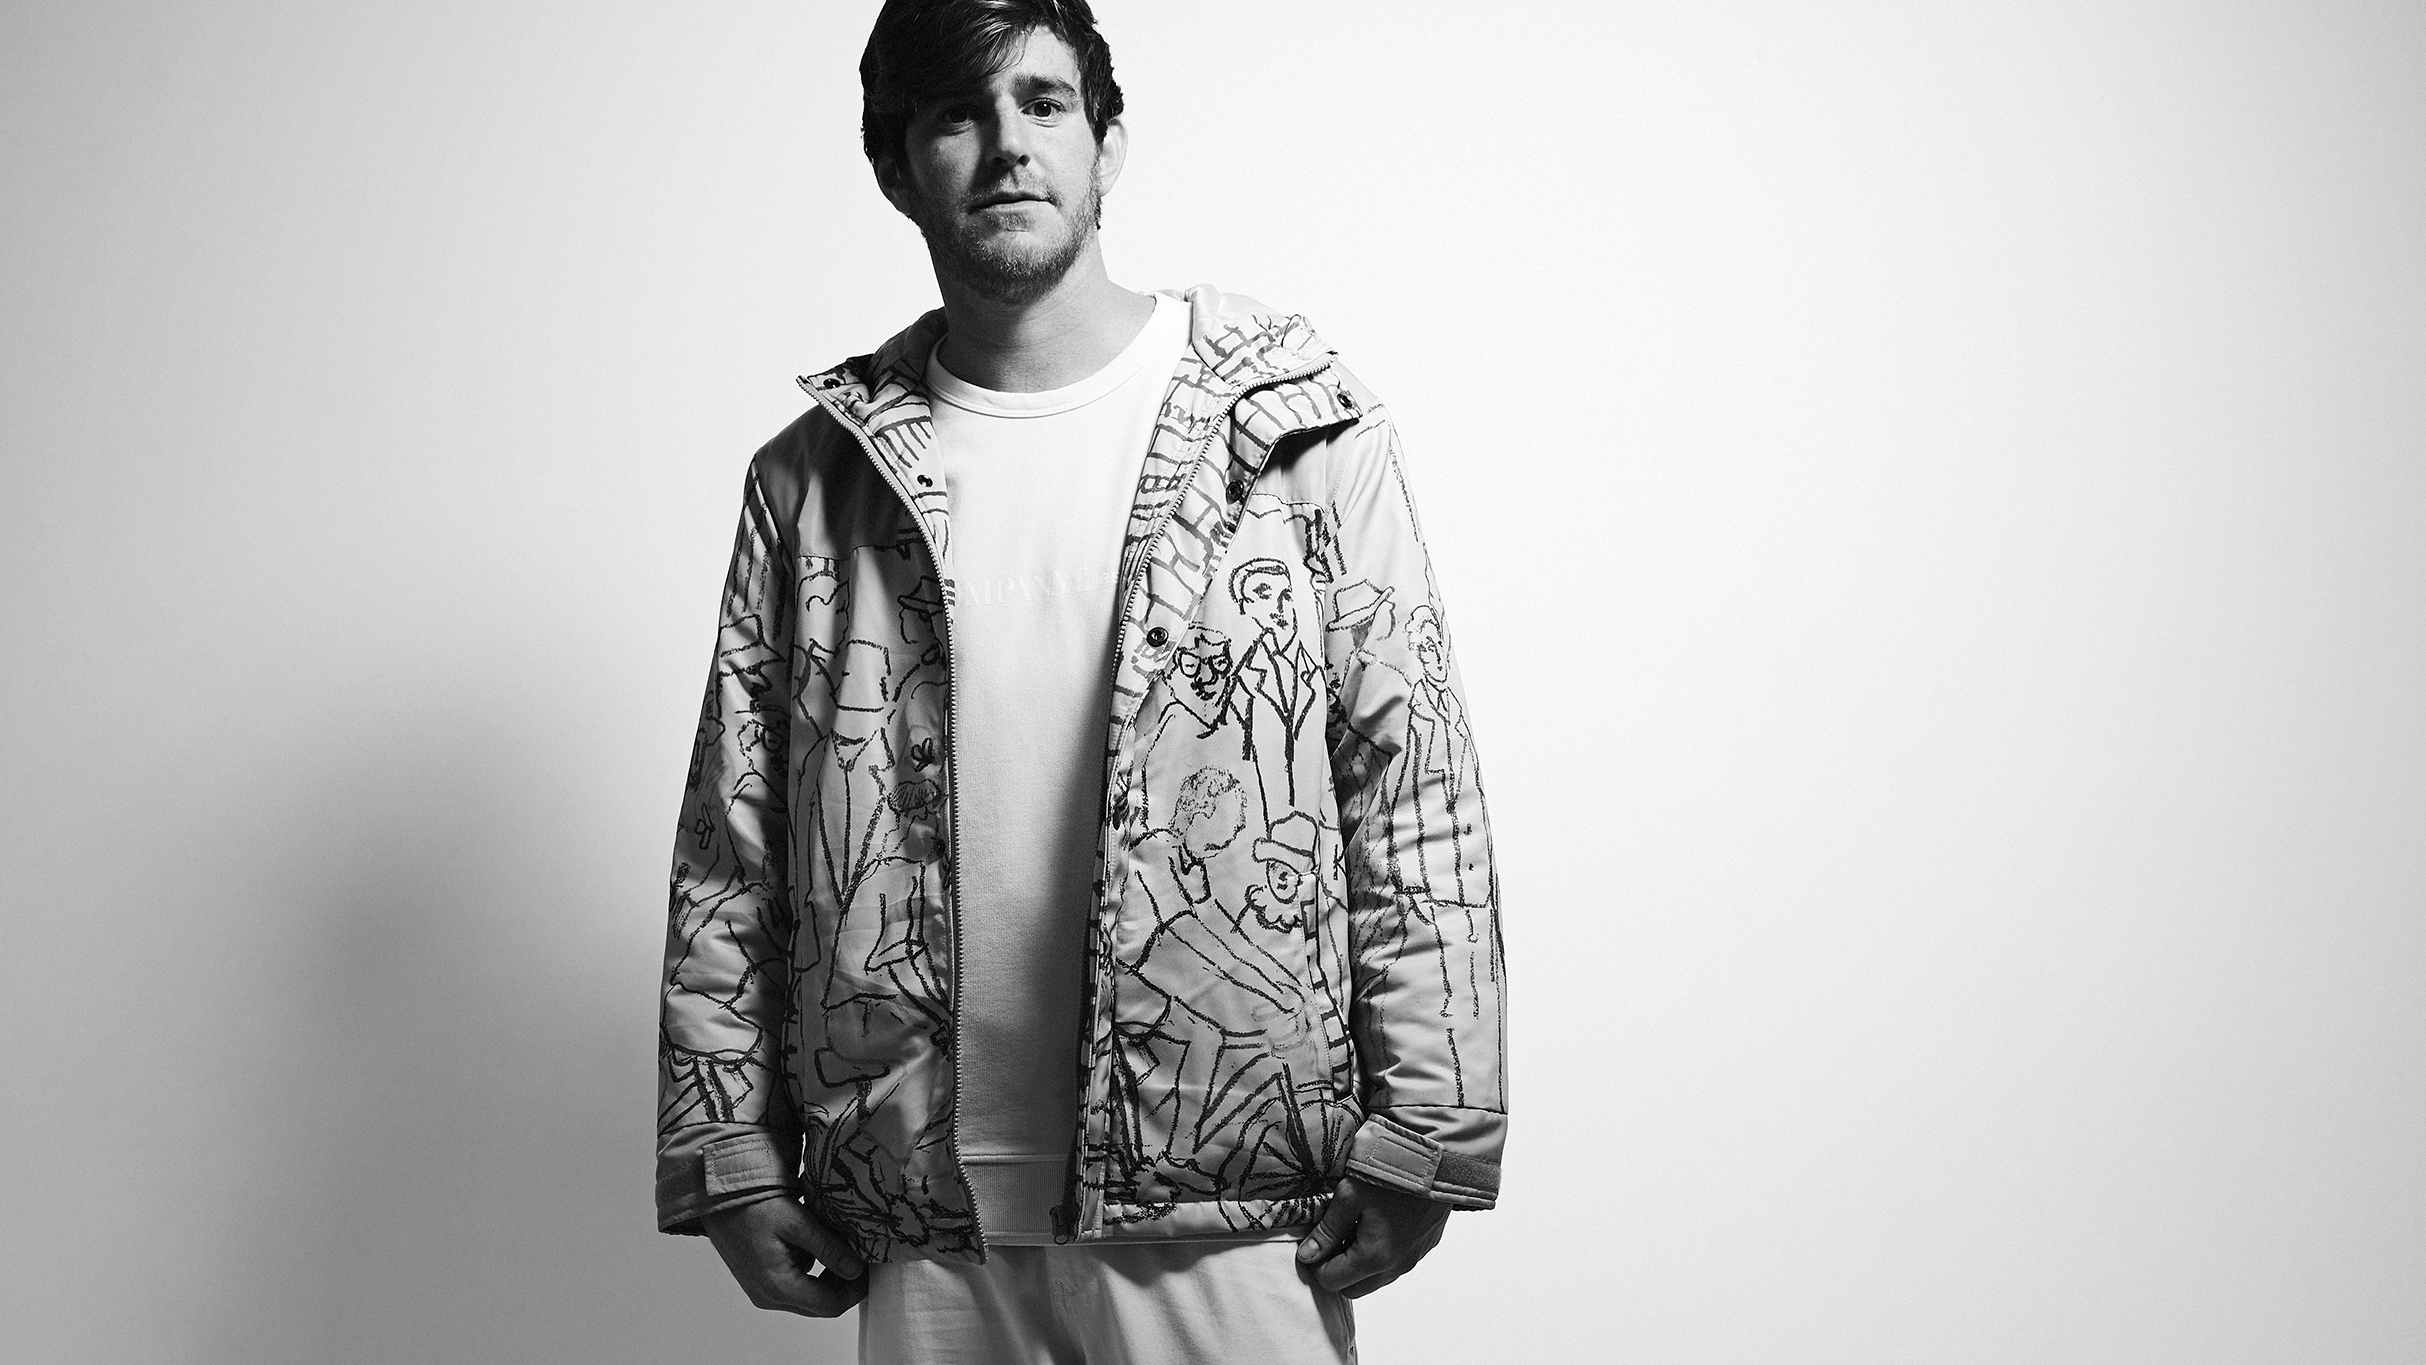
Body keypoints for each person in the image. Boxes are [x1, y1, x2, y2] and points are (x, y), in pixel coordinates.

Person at [655, 2, 1506, 1359]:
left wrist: (1432, 1125)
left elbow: (1410, 786)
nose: (1007, 145)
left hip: (1228, 1190)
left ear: (1107, 144)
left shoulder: (1293, 431)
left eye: (1044, 104)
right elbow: (733, 837)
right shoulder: (814, 481)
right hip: (924, 1205)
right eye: (958, 115)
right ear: (894, 169)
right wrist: (727, 1153)